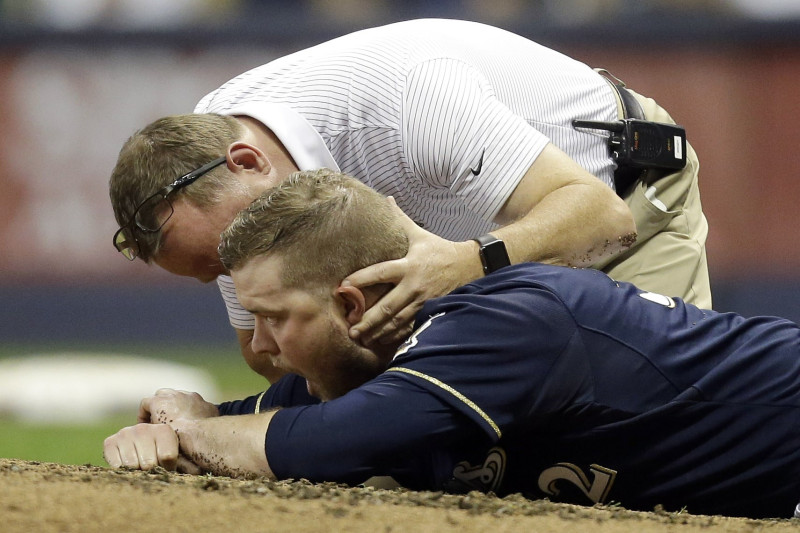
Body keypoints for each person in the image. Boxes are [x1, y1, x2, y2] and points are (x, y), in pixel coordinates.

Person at [105, 170, 797, 519]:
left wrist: (192, 432)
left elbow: (329, 442)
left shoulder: (507, 322)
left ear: (351, 304)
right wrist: (166, 424)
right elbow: (239, 422)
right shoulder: (362, 362)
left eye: (273, 316)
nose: (261, 346)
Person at [109, 18, 709, 383]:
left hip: (616, 191)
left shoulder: (404, 102)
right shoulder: (216, 170)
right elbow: (264, 352)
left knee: (655, 420)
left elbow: (600, 217)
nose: (236, 266)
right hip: (473, 246)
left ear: (247, 160)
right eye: (218, 270)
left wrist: (465, 265)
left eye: (228, 250)